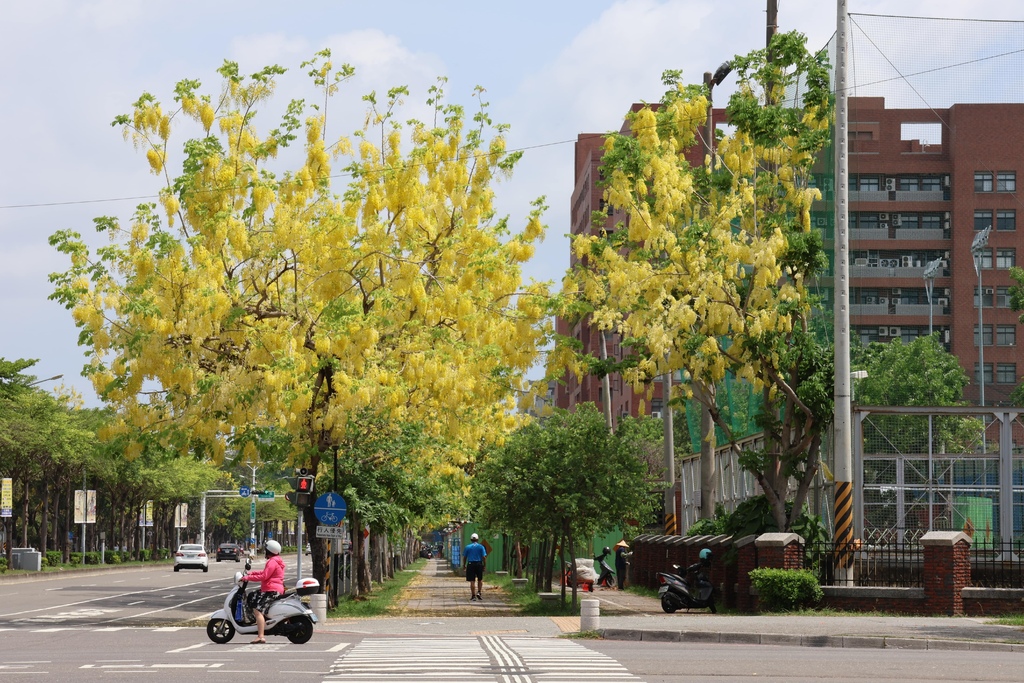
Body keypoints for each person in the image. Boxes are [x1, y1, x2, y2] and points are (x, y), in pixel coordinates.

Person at [242, 540, 285, 643]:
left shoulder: (272, 562)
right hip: (272, 589)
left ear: (269, 551)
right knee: (252, 596)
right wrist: (251, 574)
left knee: (258, 610)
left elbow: (264, 576)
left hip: (271, 590)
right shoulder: (276, 560)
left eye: (265, 550)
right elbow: (265, 572)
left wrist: (247, 578)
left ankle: (261, 636)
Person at [463, 533, 487, 601]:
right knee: (480, 579)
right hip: (479, 564)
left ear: (471, 539)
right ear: (477, 539)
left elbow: (465, 557)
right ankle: (479, 592)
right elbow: (484, 557)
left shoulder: (467, 547)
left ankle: (473, 596)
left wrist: (464, 565)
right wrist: (484, 565)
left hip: (470, 564)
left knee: (472, 581)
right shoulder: (481, 547)